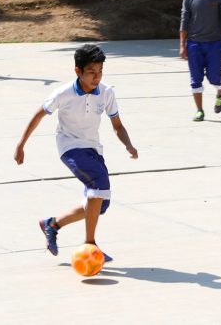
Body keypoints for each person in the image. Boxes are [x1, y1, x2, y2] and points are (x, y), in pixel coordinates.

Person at [14, 44, 138, 262]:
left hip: (93, 149)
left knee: (99, 203)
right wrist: (21, 144)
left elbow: (118, 125)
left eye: (100, 72)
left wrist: (128, 144)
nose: (96, 77)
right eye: (91, 72)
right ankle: (91, 244)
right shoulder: (64, 93)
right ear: (78, 71)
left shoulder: (107, 93)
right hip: (69, 147)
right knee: (98, 186)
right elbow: (39, 114)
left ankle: (52, 224)